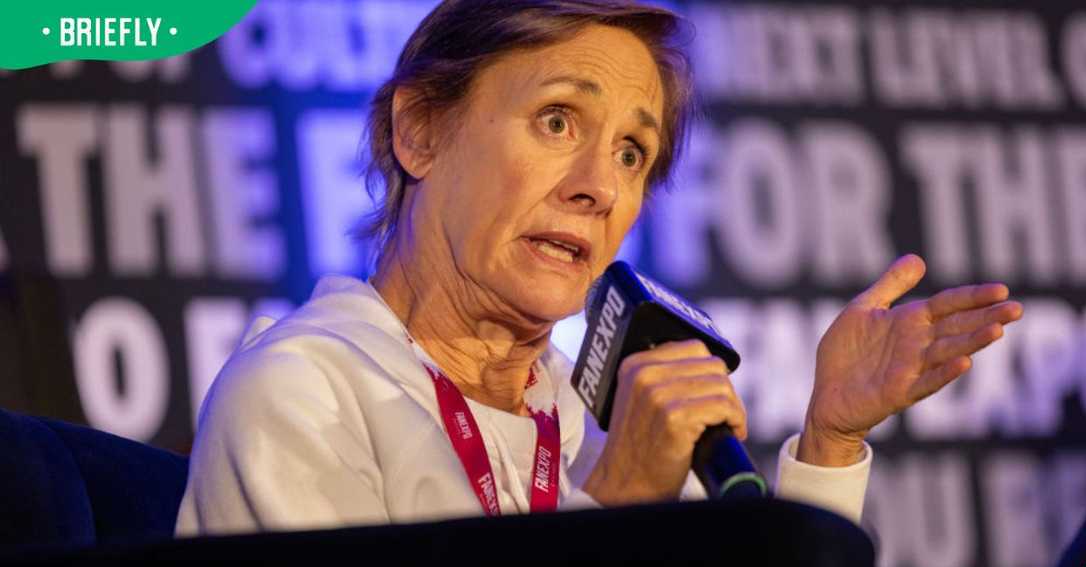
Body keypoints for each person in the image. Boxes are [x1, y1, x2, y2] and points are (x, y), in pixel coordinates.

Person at [175, 0, 1023, 535]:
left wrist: (831, 444)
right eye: (556, 121)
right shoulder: (303, 397)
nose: (597, 187)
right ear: (420, 130)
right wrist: (612, 511)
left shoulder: (607, 429)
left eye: (631, 152)